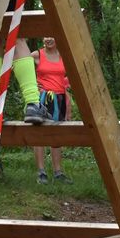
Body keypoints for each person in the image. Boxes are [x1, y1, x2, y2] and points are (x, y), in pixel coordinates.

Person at [32, 37, 74, 184]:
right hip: (43, 99)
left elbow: (70, 76)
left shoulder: (64, 55)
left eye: (52, 36)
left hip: (61, 99)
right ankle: (41, 173)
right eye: (45, 36)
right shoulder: (37, 55)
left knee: (57, 135)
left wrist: (68, 103)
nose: (48, 39)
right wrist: (32, 86)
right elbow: (20, 66)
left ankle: (58, 172)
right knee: (40, 135)